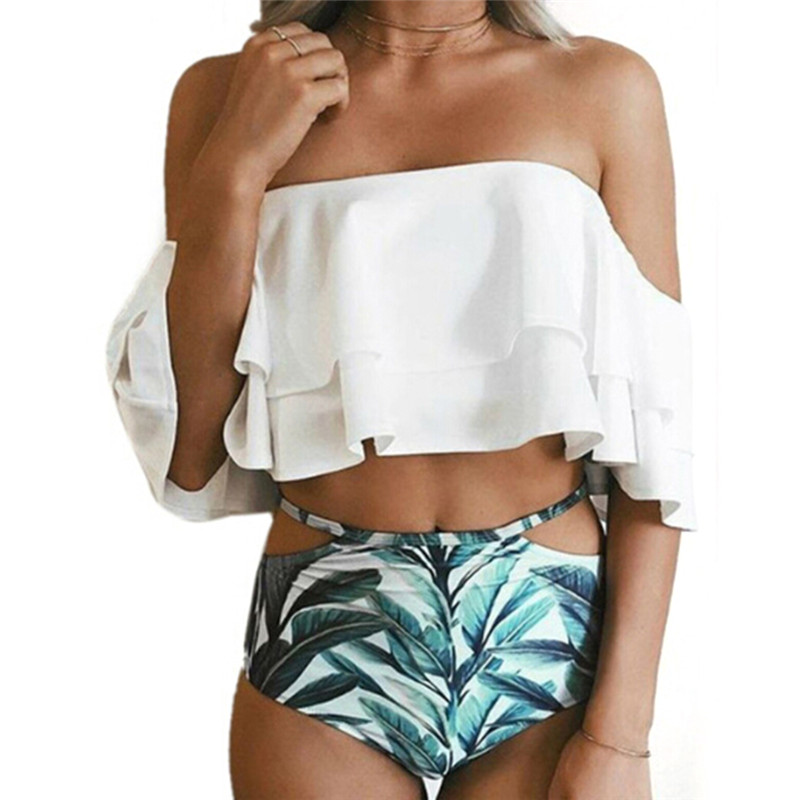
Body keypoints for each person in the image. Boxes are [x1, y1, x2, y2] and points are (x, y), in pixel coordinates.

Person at [104, 2, 697, 798]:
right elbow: (192, 448)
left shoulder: (603, 85)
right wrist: (237, 164)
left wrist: (621, 739)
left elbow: (659, 439)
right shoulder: (226, 93)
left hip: (547, 625)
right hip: (325, 618)